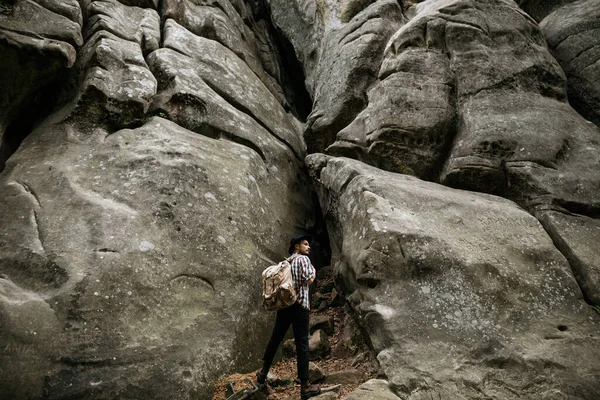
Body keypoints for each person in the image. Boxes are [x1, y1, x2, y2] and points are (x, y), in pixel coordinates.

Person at [256, 234, 321, 399]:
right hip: (300, 307)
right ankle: (305, 386)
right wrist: (313, 272)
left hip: (285, 305)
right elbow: (308, 279)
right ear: (297, 247)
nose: (309, 247)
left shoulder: (287, 262)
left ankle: (263, 373)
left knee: (276, 338)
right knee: (302, 344)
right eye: (305, 244)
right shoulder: (303, 260)